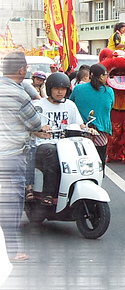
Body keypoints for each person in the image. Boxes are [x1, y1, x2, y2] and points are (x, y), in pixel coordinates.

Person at [0, 51, 43, 262]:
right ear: (21, 70)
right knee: (11, 205)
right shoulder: (19, 94)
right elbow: (35, 123)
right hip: (10, 157)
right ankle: (10, 252)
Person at [32, 72, 92, 206]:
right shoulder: (39, 106)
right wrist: (40, 130)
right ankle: (48, 193)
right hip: (44, 146)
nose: (60, 92)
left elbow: (80, 124)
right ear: (49, 90)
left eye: (63, 89)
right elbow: (31, 129)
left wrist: (89, 129)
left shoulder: (70, 105)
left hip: (67, 145)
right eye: (57, 89)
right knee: (53, 152)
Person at [70, 64, 115, 172]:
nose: (107, 77)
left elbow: (71, 104)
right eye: (106, 75)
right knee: (99, 160)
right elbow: (110, 107)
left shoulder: (78, 88)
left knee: (80, 158)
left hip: (81, 129)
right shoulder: (108, 91)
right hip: (100, 131)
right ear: (100, 77)